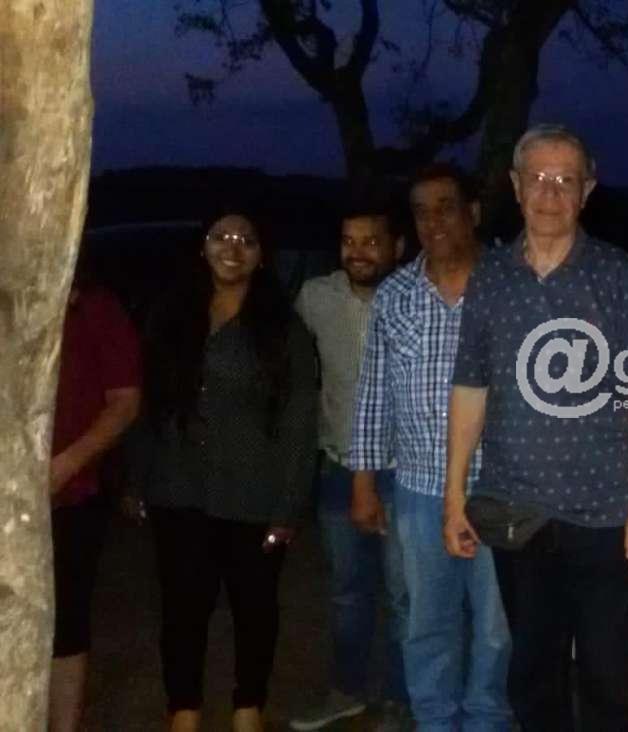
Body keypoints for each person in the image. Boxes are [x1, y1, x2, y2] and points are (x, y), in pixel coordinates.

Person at [444, 124, 628, 730]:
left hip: (607, 517)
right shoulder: (490, 276)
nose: (550, 193)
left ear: (587, 191)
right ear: (516, 186)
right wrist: (455, 494)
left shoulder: (617, 275)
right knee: (533, 679)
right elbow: (470, 388)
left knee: (611, 683)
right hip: (516, 514)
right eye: (538, 178)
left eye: (566, 180)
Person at [128, 207, 317, 732]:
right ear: (202, 245)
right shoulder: (169, 316)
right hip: (177, 486)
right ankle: (183, 708)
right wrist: (136, 477)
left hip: (254, 492)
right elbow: (147, 405)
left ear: (262, 256)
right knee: (182, 607)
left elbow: (300, 421)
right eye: (221, 236)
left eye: (246, 240)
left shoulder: (284, 330)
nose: (232, 248)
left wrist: (289, 507)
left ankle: (248, 706)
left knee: (254, 607)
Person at [348, 164, 512, 731]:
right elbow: (374, 391)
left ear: (474, 212)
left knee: (497, 625)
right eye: (421, 211)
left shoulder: (513, 284)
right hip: (418, 490)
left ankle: (488, 720)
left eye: (446, 207)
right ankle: (436, 721)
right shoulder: (396, 294)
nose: (433, 221)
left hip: (501, 487)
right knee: (425, 621)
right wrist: (364, 481)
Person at [290, 196, 409, 730]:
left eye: (371, 241)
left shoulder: (417, 298)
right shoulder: (315, 298)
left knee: (404, 595)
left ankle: (401, 699)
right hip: (338, 466)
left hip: (405, 471)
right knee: (347, 592)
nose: (358, 252)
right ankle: (348, 689)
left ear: (397, 246)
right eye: (348, 241)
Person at [48, 260, 142, 732]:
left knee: (65, 622)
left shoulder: (94, 307)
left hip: (69, 493)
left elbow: (125, 401)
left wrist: (65, 465)